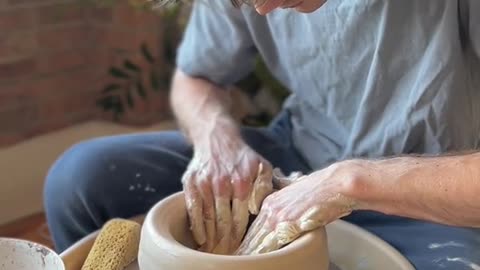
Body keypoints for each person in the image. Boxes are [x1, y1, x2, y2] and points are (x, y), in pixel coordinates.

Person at [44, 0, 480, 268]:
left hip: (433, 187)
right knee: (81, 178)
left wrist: (348, 183)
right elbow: (195, 76)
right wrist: (217, 140)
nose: (263, 8)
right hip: (299, 150)